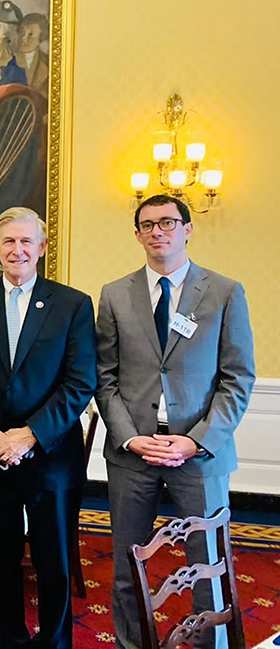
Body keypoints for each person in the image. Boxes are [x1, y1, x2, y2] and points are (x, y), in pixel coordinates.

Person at [96, 194, 255, 649]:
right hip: (134, 456)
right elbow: (104, 378)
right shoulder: (114, 294)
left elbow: (238, 378)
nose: (157, 231)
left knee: (209, 567)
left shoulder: (225, 292)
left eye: (167, 222)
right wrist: (129, 439)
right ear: (137, 235)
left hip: (200, 454)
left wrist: (197, 441)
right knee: (128, 567)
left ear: (187, 229)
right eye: (147, 225)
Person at [0, 207, 97, 649]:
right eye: (8, 241)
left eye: (26, 241)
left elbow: (80, 382)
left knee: (54, 560)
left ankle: (54, 643)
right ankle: (10, 640)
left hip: (51, 455)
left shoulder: (72, 304)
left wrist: (30, 434)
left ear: (42, 247)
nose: (17, 250)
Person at [15, 12, 49, 99]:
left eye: (31, 35)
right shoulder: (8, 58)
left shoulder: (48, 62)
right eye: (22, 32)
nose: (24, 38)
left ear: (40, 39)